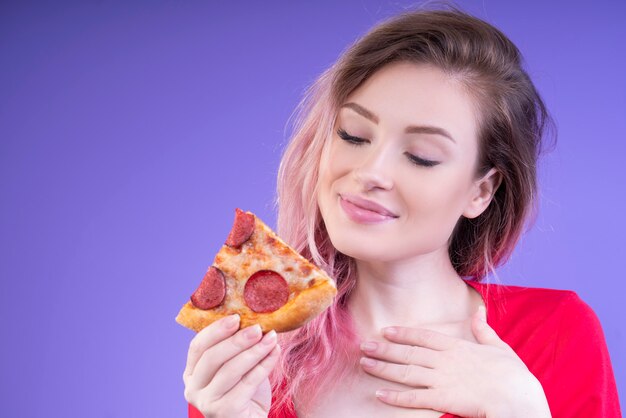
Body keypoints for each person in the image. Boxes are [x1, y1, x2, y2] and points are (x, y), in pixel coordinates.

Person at [183, 6, 622, 418]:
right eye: (354, 135)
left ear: (480, 191)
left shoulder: (557, 333)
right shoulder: (252, 355)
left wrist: (522, 410)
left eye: (422, 156)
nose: (370, 172)